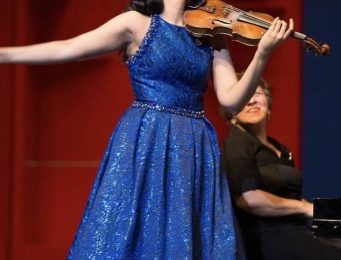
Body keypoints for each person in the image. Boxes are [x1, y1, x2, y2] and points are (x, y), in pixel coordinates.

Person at [0, 0, 294, 258]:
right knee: (136, 227)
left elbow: (230, 99)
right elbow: (67, 48)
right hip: (147, 136)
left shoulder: (212, 34)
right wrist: (5, 54)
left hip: (193, 143)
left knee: (186, 231)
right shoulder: (136, 24)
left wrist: (262, 53)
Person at [221, 79, 341, 260]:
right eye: (244, 97)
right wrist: (304, 207)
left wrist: (320, 213)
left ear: (269, 107)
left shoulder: (281, 149)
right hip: (266, 235)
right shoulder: (237, 143)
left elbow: (289, 197)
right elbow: (249, 199)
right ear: (232, 113)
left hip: (296, 228)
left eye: (257, 94)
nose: (251, 101)